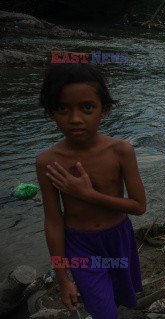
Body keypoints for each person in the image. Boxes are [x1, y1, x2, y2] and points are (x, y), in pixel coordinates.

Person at [36, 63, 146, 319]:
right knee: (103, 311)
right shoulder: (47, 162)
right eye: (63, 108)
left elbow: (139, 207)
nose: (75, 118)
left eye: (87, 107)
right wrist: (63, 280)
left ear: (104, 109)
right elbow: (53, 222)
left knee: (119, 299)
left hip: (119, 238)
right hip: (80, 245)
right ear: (51, 111)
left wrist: (88, 194)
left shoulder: (121, 151)